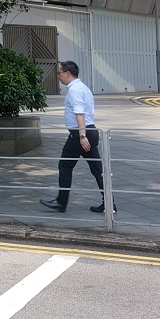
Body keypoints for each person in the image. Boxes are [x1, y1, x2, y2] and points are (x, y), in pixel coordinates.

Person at [41, 61, 114, 214]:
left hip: (81, 133)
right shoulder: (84, 88)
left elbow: (79, 113)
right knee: (97, 170)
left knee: (65, 165)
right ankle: (109, 203)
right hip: (91, 130)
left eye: (59, 73)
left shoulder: (74, 90)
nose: (58, 76)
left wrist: (82, 136)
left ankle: (61, 202)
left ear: (68, 73)